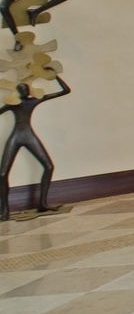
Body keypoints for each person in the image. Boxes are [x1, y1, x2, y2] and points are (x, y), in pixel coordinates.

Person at [0, 77, 69, 219]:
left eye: (26, 89)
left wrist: (53, 75)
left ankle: (42, 204)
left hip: (28, 135)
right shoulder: (13, 104)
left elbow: (65, 91)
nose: (24, 91)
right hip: (16, 137)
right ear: (18, 92)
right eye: (21, 89)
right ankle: (5, 211)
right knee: (2, 174)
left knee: (48, 166)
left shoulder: (33, 101)